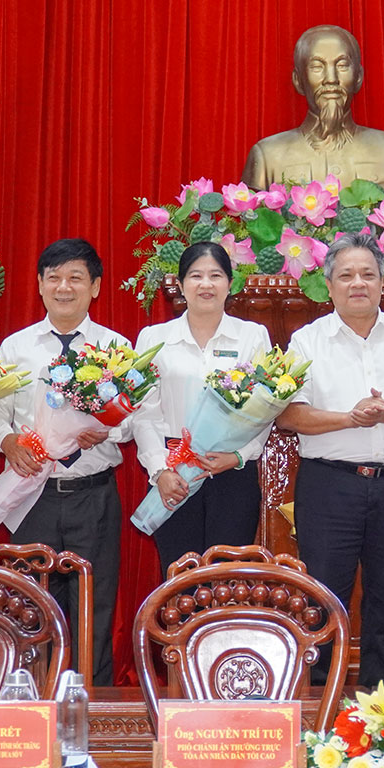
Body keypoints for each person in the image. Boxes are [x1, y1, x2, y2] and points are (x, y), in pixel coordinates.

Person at [277, 232, 384, 687]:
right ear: (329, 285)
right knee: (321, 596)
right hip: (329, 485)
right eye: (347, 275)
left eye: (368, 274)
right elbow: (290, 415)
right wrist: (349, 419)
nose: (358, 283)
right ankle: (318, 696)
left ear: (382, 282)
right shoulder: (306, 342)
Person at [0, 238, 130, 685]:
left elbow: (136, 418)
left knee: (95, 606)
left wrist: (109, 430)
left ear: (95, 287)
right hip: (33, 495)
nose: (64, 287)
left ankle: (95, 709)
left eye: (76, 278)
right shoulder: (15, 348)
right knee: (30, 606)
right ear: (41, 285)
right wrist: (7, 442)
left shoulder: (116, 347)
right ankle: (32, 699)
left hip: (94, 495)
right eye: (54, 278)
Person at [132, 241, 271, 576]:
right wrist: (159, 471)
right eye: (195, 276)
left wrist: (238, 457)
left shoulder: (252, 336)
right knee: (180, 578)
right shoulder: (154, 338)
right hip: (174, 472)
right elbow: (144, 413)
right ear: (180, 285)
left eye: (215, 275)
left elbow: (266, 409)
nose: (206, 284)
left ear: (230, 283)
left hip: (231, 474)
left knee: (228, 578)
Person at [242, 24, 384, 190]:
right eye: (317, 66)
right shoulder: (267, 157)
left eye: (342, 65)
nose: (331, 78)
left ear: (358, 77)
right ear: (298, 81)